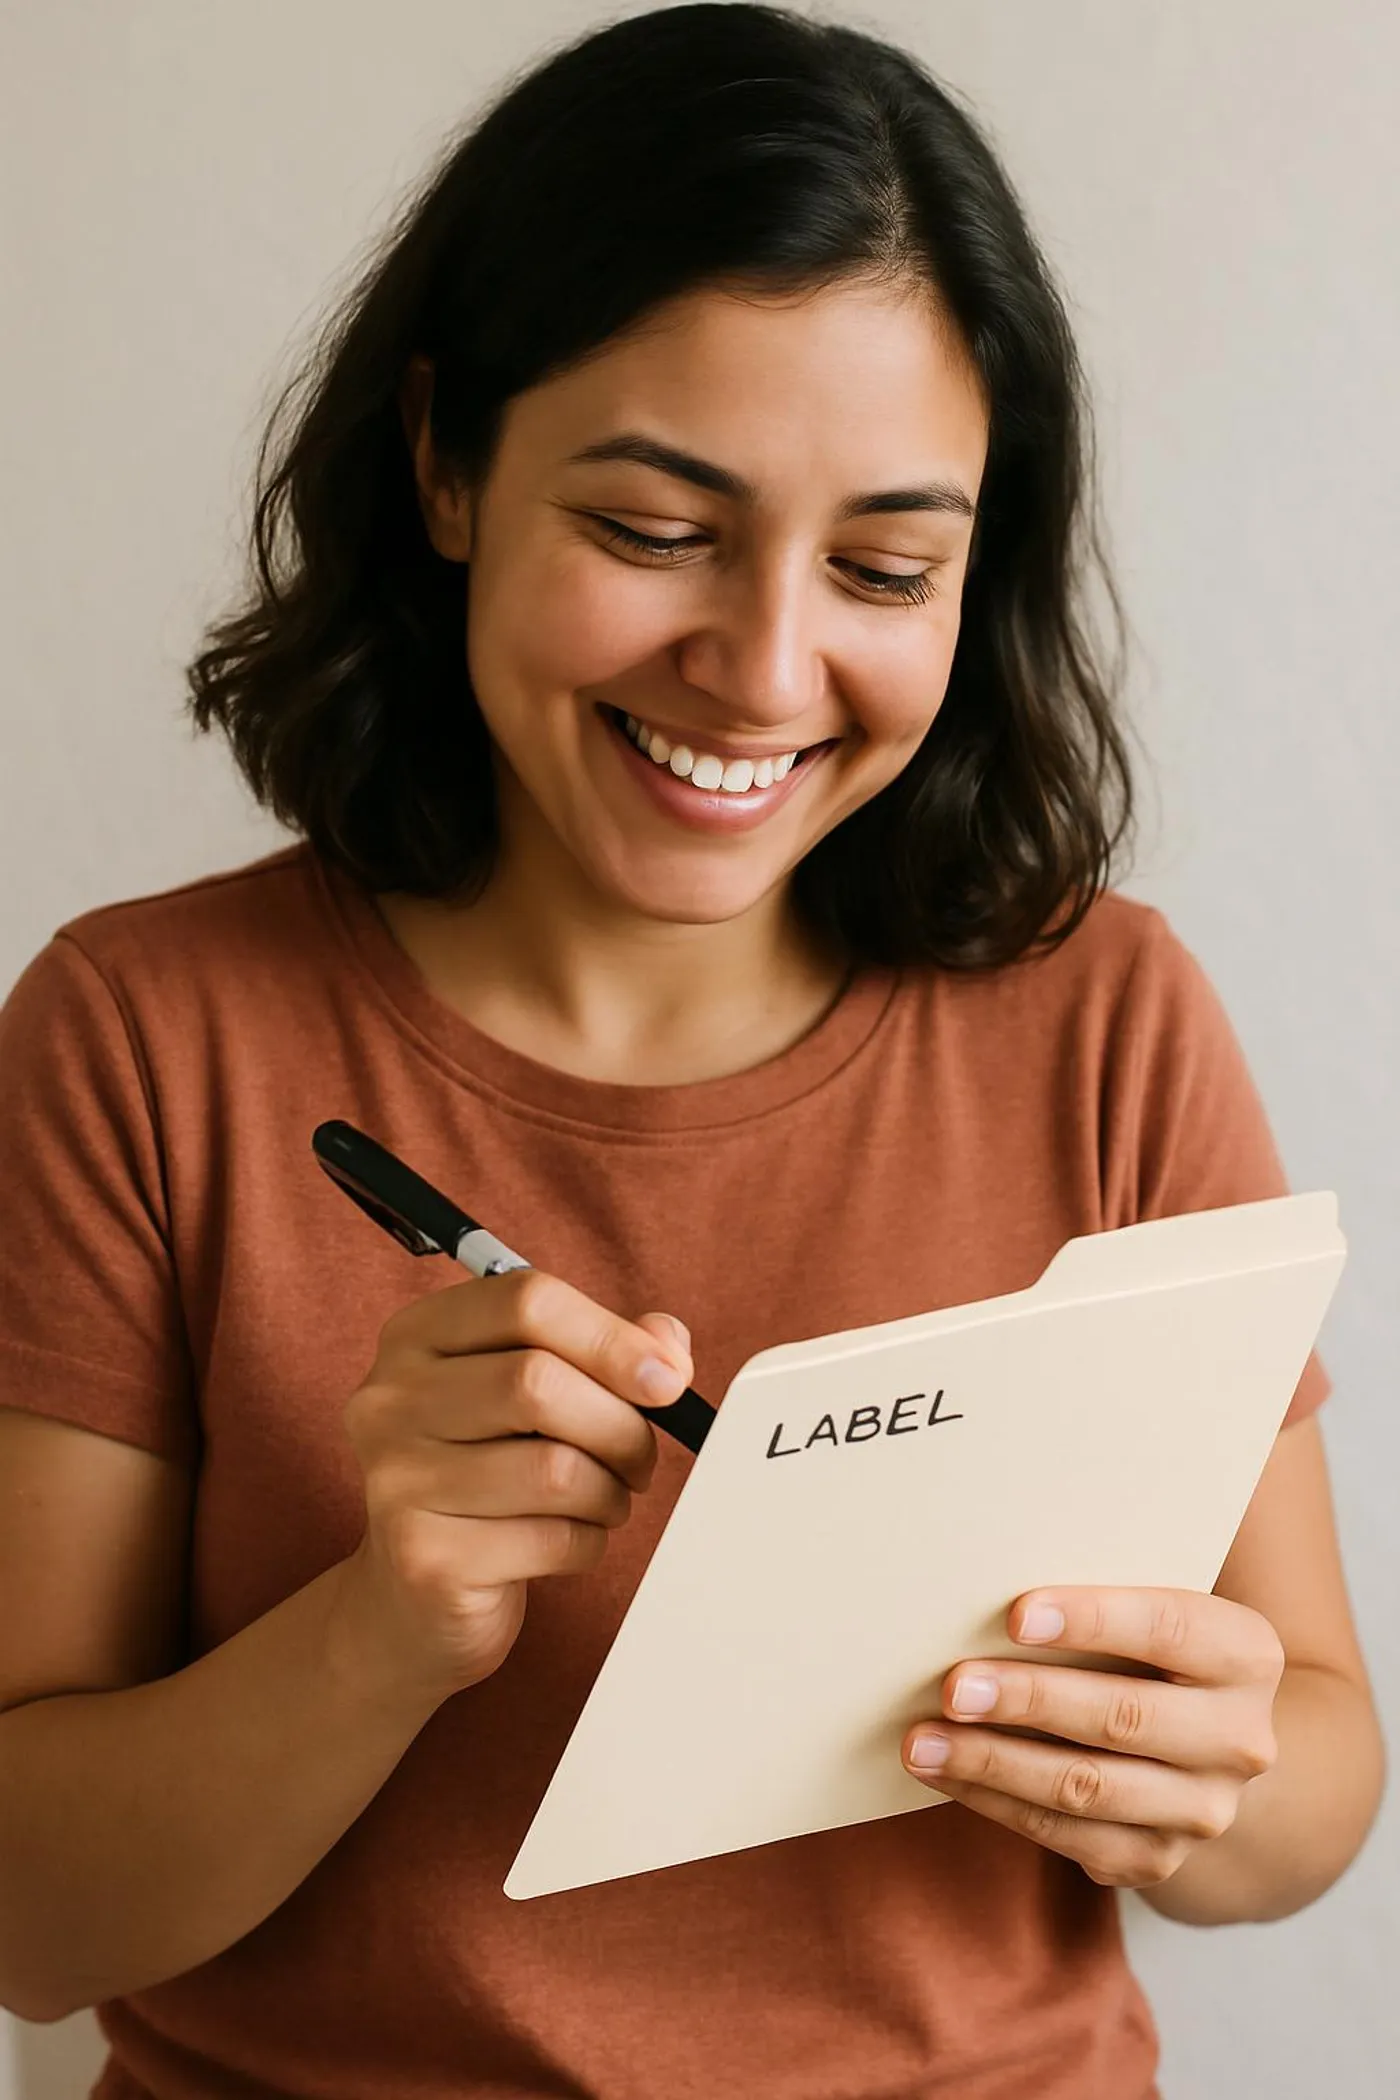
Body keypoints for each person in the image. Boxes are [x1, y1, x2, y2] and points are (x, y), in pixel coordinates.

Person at [0, 5, 1383, 2096]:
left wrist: (1189, 1771)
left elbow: (1309, 1786)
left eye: (885, 568)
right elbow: (30, 1926)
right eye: (655, 532)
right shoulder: (143, 1038)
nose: (760, 669)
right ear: (445, 461)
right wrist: (383, 1630)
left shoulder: (1107, 1019)